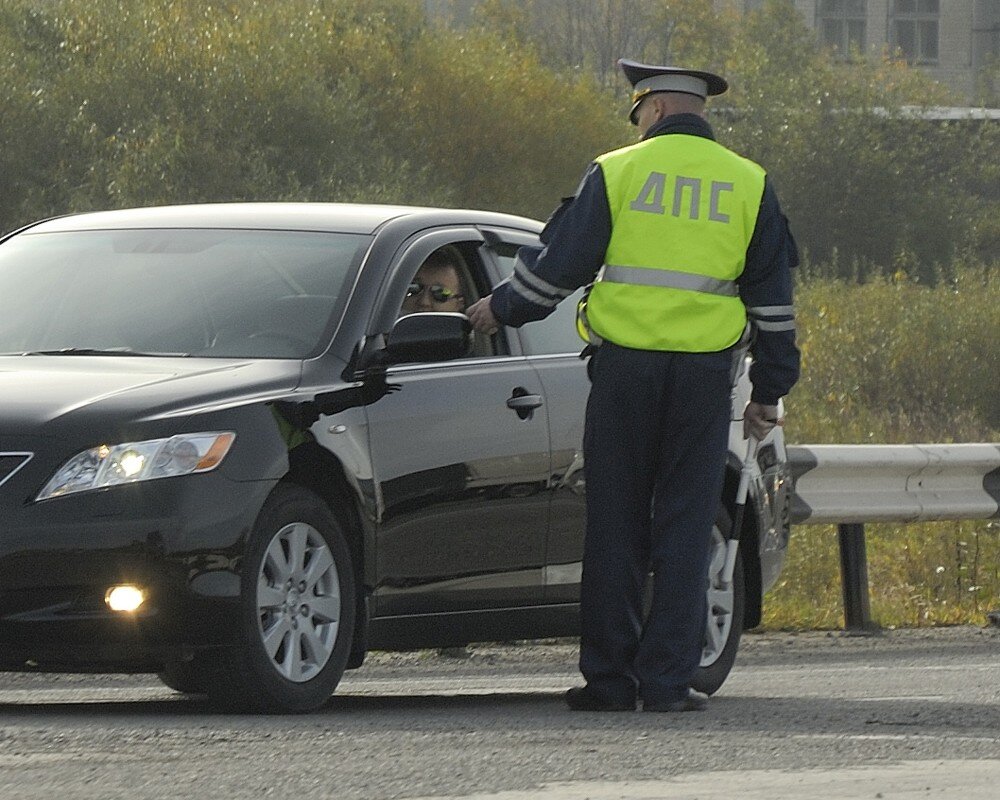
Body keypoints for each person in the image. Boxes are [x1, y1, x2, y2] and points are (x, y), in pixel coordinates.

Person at [467, 59, 800, 713]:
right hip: (704, 379)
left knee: (616, 523)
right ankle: (668, 683)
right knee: (684, 527)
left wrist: (498, 310)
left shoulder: (617, 171)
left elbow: (557, 267)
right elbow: (774, 305)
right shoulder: (748, 184)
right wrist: (768, 391)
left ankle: (610, 682)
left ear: (651, 109)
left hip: (625, 374)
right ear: (699, 112)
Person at [400, 249, 467, 316]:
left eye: (439, 293)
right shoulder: (390, 321)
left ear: (460, 303)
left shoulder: (464, 326)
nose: (424, 302)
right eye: (414, 289)